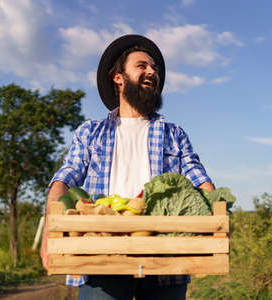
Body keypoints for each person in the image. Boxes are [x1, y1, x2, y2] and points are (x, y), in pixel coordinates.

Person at [41, 34, 215, 300]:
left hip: (165, 255)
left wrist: (215, 219)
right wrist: (48, 234)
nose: (152, 72)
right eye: (142, 65)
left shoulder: (174, 134)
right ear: (118, 77)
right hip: (100, 254)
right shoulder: (91, 131)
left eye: (154, 68)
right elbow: (64, 179)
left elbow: (200, 181)